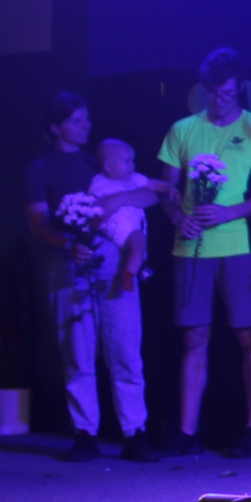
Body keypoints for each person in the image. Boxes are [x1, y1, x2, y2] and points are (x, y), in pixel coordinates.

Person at [156, 49, 251, 457]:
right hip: (190, 247)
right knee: (194, 336)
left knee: (248, 335)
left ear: (240, 87)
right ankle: (187, 431)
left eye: (226, 93)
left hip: (238, 246)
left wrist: (231, 211)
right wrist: (178, 217)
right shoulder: (183, 129)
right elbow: (166, 190)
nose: (219, 100)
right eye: (212, 93)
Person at [23, 97, 163, 462]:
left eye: (87, 119)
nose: (85, 126)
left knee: (125, 348)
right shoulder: (40, 169)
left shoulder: (100, 162)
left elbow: (148, 193)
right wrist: (69, 245)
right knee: (77, 352)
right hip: (67, 265)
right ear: (56, 127)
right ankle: (85, 433)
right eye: (76, 121)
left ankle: (135, 432)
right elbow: (39, 224)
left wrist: (119, 199)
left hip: (113, 263)